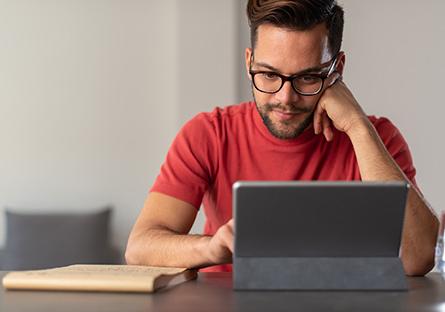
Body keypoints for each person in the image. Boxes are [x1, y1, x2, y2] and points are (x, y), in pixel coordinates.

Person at [125, 0, 438, 275]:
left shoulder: (376, 137)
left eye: (307, 77)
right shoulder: (209, 134)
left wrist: (357, 125)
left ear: (336, 70)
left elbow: (417, 259)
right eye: (269, 75)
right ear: (249, 63)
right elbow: (140, 247)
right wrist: (211, 248)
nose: (285, 98)